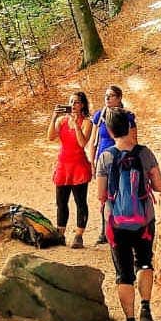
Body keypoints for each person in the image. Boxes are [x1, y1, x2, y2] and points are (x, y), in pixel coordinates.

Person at [97, 107, 161, 321]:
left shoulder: (106, 157)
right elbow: (159, 186)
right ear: (129, 127)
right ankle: (146, 308)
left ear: (110, 130)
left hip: (116, 224)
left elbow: (100, 194)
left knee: (124, 273)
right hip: (144, 220)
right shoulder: (145, 154)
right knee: (145, 262)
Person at [89, 85, 137, 244]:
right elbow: (93, 142)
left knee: (121, 194)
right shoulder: (99, 115)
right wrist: (92, 163)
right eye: (106, 96)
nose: (107, 98)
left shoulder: (128, 117)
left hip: (121, 161)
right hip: (103, 162)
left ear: (119, 98)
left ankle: (122, 229)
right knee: (103, 196)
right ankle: (105, 231)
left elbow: (134, 141)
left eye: (111, 96)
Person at [47, 91, 94, 249]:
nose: (73, 105)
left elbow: (82, 144)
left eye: (77, 102)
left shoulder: (86, 122)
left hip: (78, 165)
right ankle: (60, 233)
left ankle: (79, 235)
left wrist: (76, 126)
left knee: (80, 202)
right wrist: (54, 117)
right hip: (63, 165)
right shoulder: (61, 120)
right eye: (71, 102)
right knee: (61, 202)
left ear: (82, 105)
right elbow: (50, 137)